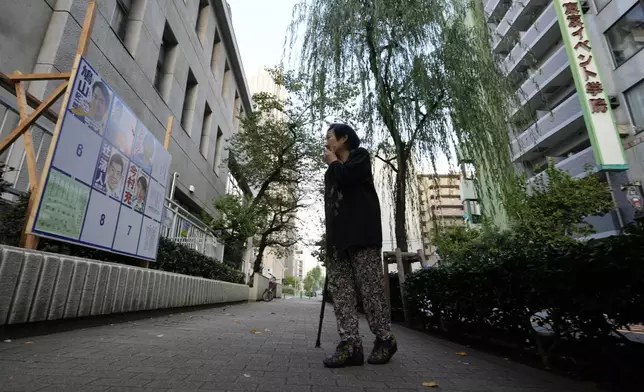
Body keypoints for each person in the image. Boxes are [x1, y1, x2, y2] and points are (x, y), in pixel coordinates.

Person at [322, 123, 397, 368]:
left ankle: (385, 339)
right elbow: (331, 205)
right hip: (338, 241)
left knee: (371, 290)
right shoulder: (331, 171)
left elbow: (347, 179)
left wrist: (333, 162)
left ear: (343, 139)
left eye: (330, 137)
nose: (327, 141)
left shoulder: (360, 157)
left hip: (362, 235)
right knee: (342, 294)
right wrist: (329, 242)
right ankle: (350, 345)